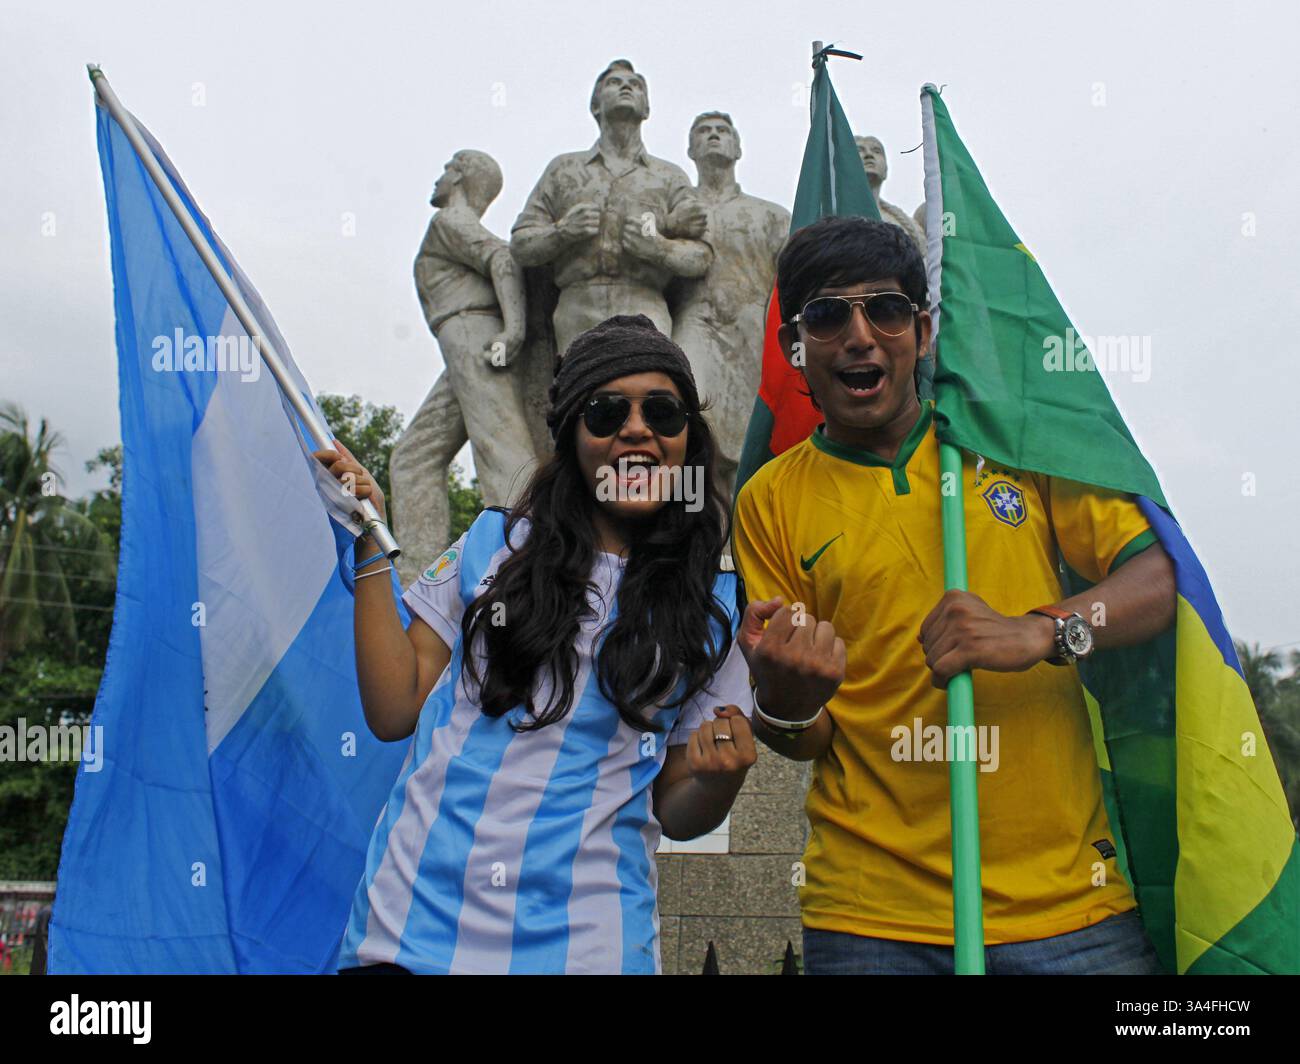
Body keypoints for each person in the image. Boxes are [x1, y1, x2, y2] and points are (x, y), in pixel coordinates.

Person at [731, 216, 1177, 975]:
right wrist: (783, 702)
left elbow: (1159, 581)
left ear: (925, 330)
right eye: (829, 315)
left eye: (888, 309)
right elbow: (805, 734)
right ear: (794, 348)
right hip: (872, 918)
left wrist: (1041, 632)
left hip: (1072, 907)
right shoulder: (768, 499)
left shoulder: (1012, 443)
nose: (862, 335)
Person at [316, 314, 756, 974]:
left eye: (661, 412)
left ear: (686, 439)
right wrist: (369, 544)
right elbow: (394, 707)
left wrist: (722, 779)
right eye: (607, 411)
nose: (636, 428)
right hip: (412, 929)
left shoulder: (715, 606)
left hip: (589, 945)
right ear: (574, 437)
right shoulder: (493, 545)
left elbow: (679, 811)